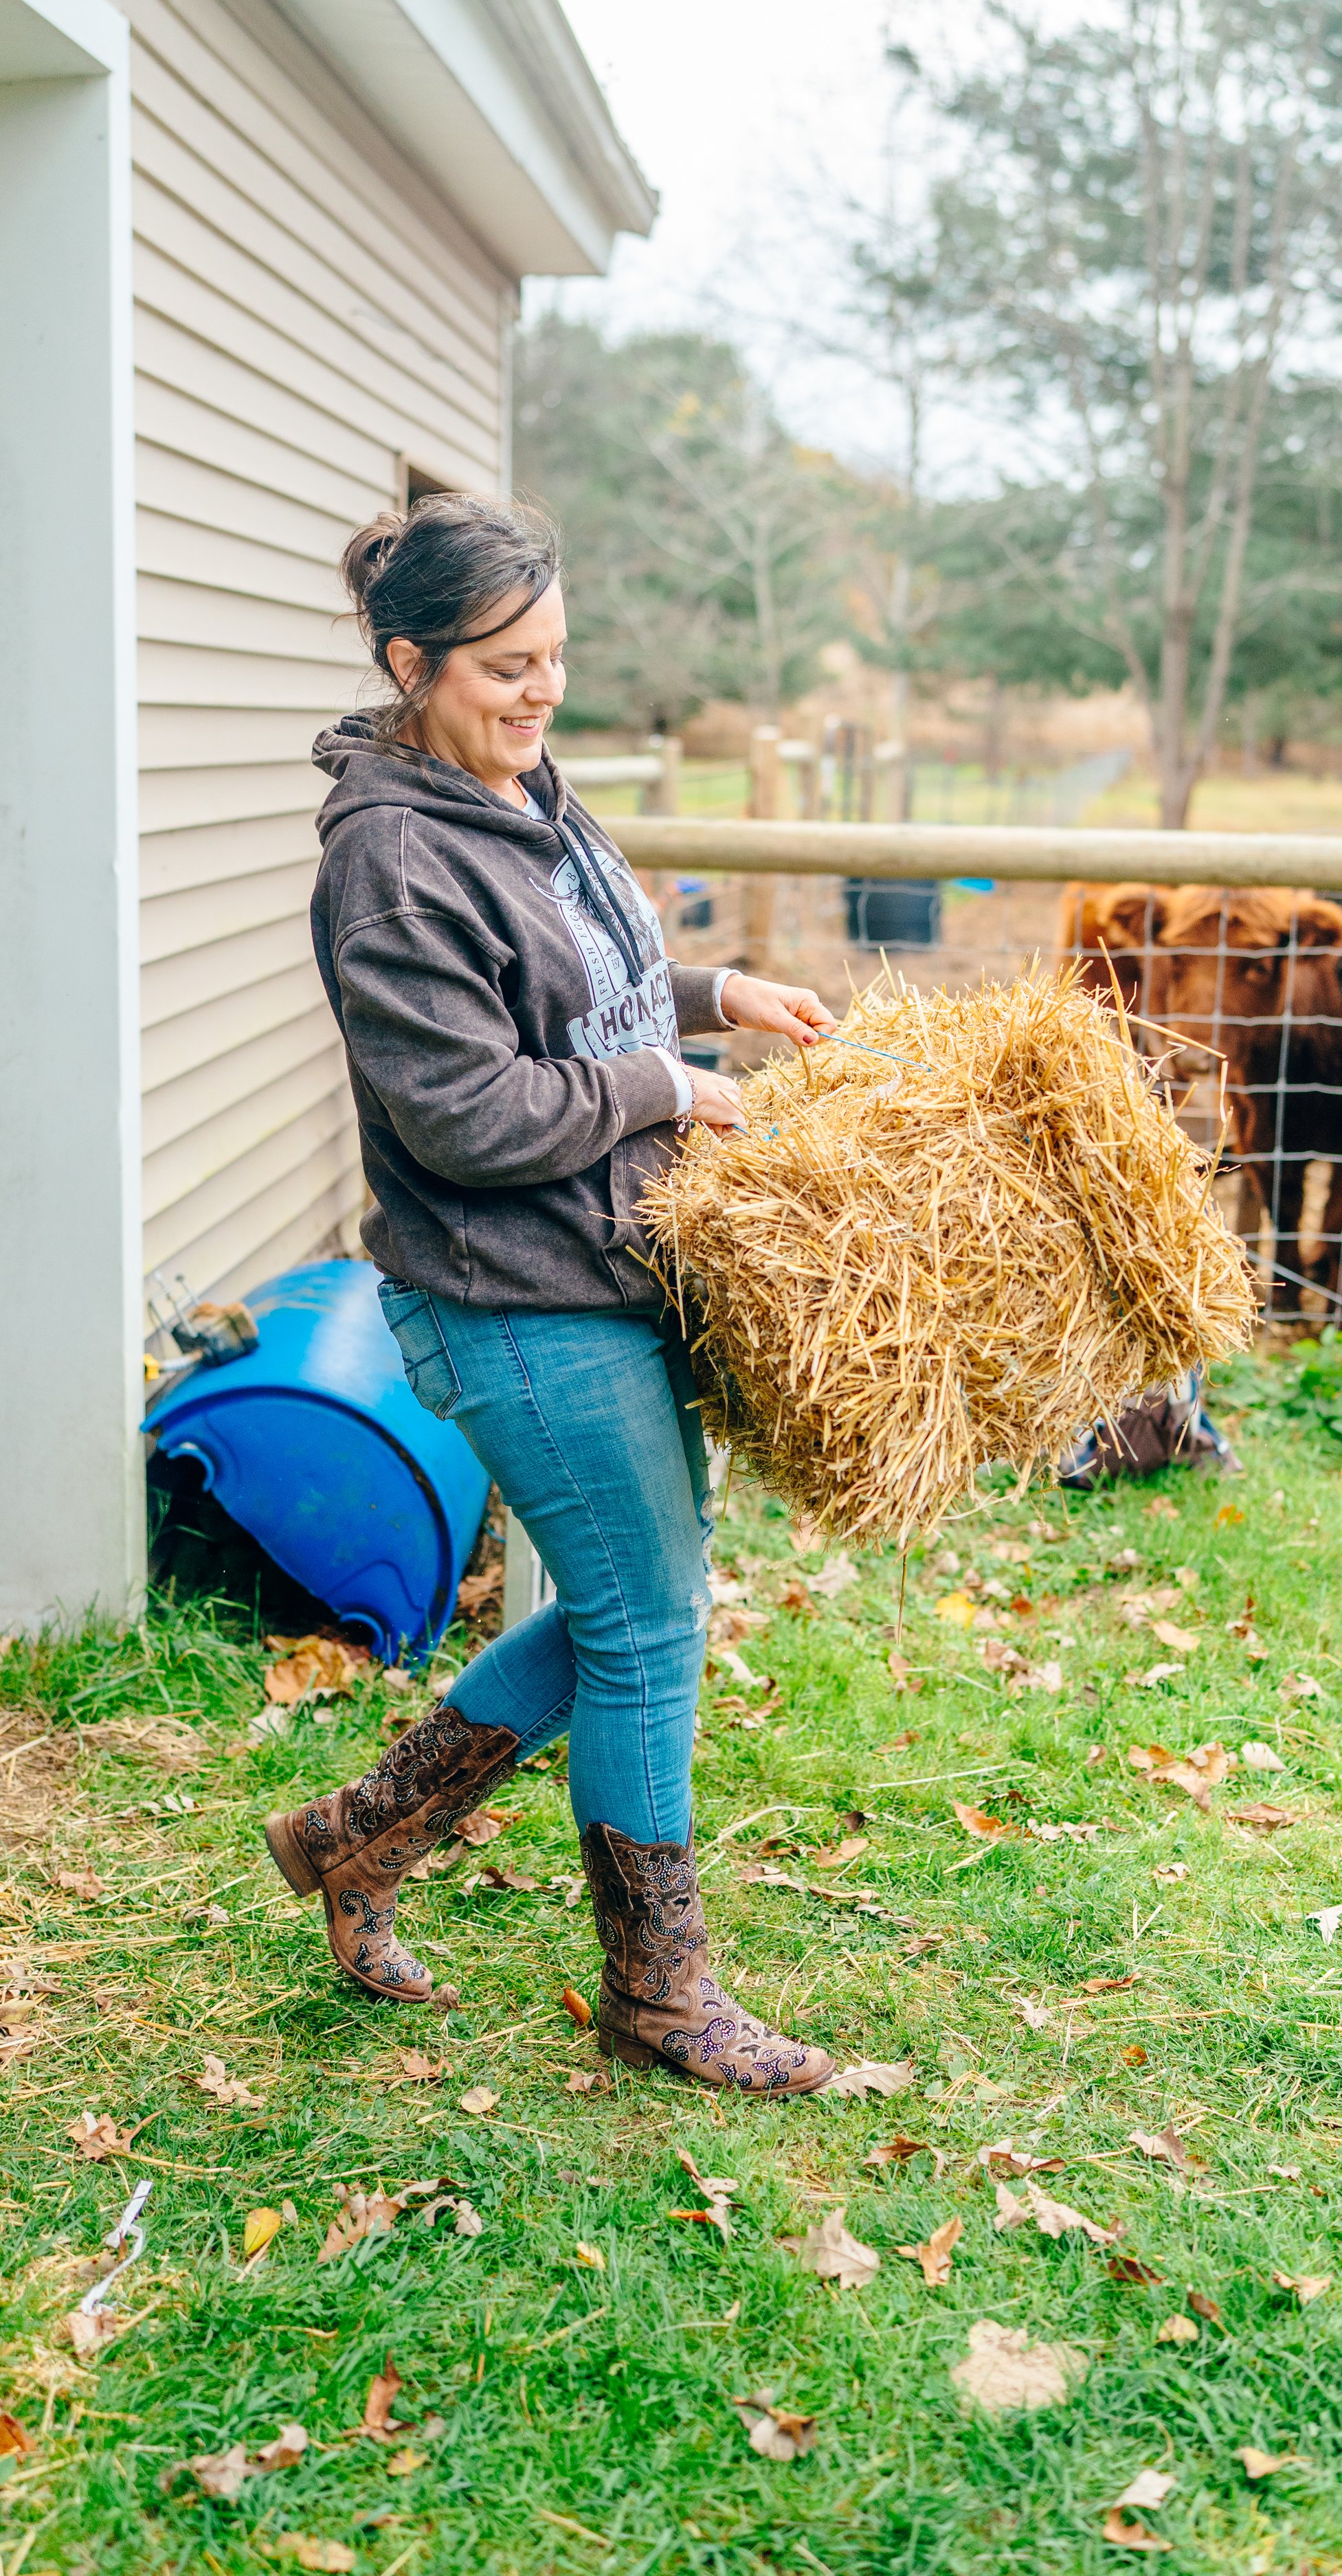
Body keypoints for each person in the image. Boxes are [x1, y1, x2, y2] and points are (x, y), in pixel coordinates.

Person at [263, 493, 840, 2094]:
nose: (539, 693)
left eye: (556, 660)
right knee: (650, 1624)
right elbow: (466, 1113)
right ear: (411, 661)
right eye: (506, 666)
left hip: (600, 1264)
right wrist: (667, 1087)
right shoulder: (389, 861)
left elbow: (584, 995)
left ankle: (354, 1836)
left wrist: (718, 1001)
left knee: (626, 1607)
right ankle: (660, 1995)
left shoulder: (522, 792)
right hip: (509, 1298)